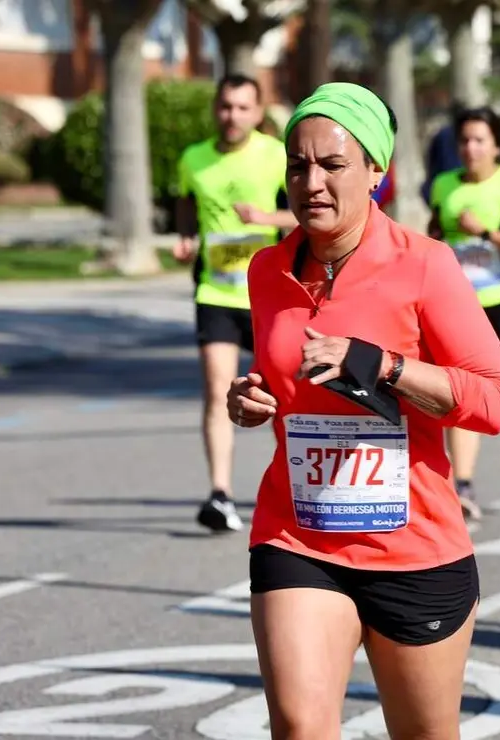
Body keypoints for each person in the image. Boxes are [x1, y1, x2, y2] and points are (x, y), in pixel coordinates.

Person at [226, 82, 500, 739]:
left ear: (375, 173)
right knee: (299, 727)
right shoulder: (267, 270)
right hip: (299, 533)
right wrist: (250, 399)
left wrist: (382, 363)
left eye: (333, 165)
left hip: (412, 547)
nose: (312, 183)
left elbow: (494, 400)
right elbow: (277, 380)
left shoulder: (427, 266)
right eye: (298, 166)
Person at [173, 74, 298, 534]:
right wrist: (186, 238)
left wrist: (266, 218)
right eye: (226, 107)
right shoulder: (194, 159)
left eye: (243, 108)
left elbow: (304, 213)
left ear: (258, 113)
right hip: (216, 292)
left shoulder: (275, 156)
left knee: (282, 396)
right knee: (216, 390)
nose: (232, 116)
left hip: (268, 294)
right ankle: (220, 493)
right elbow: (186, 202)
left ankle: (291, 484)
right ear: (215, 109)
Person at [428, 106, 500, 520]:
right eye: (464, 140)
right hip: (458, 309)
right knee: (460, 392)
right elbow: (434, 234)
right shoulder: (443, 185)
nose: (471, 148)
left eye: (479, 140)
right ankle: (463, 485)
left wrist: (485, 233)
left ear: (496, 145)